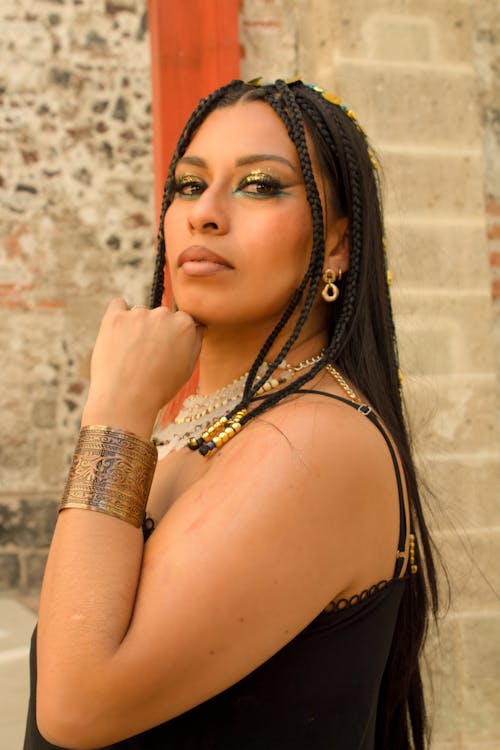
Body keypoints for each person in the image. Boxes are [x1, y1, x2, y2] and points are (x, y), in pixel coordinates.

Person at [24, 77, 438, 750]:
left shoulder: (313, 442)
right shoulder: (209, 430)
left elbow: (75, 707)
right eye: (189, 185)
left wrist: (116, 408)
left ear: (337, 246)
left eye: (260, 185)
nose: (205, 214)